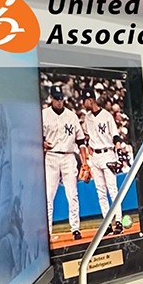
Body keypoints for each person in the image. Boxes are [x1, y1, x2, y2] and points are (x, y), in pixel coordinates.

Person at [78, 88, 126, 235]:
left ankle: (118, 221)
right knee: (101, 192)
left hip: (108, 153)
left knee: (112, 190)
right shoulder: (87, 118)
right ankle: (107, 223)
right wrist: (87, 160)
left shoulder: (106, 116)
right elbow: (86, 138)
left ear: (90, 100)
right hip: (95, 157)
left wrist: (118, 154)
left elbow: (116, 137)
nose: (83, 103)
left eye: (84, 100)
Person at [41, 87, 83, 240]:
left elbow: (81, 140)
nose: (59, 101)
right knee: (48, 196)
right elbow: (35, 136)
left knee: (72, 195)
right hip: (51, 157)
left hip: (68, 156)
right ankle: (48, 232)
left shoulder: (71, 116)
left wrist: (84, 162)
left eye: (61, 98)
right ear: (51, 98)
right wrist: (42, 143)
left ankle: (76, 229)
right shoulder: (43, 115)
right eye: (56, 98)